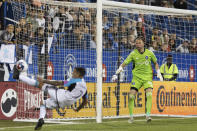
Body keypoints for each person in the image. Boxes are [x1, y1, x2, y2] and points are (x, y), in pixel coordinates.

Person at [13, 66, 88, 130]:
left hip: (62, 96)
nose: (72, 73)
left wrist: (44, 80)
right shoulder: (85, 87)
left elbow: (57, 83)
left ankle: (18, 76)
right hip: (66, 103)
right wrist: (78, 109)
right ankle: (41, 119)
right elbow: (85, 101)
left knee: (39, 84)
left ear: (78, 74)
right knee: (43, 103)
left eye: (74, 72)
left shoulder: (75, 80)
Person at [112, 36, 163, 123]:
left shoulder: (149, 53)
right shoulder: (133, 54)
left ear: (143, 44)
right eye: (136, 43)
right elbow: (124, 63)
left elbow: (155, 63)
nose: (137, 44)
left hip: (147, 78)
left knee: (149, 95)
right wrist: (117, 72)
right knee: (131, 96)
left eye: (139, 43)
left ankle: (147, 115)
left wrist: (158, 72)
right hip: (137, 78)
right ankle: (131, 117)